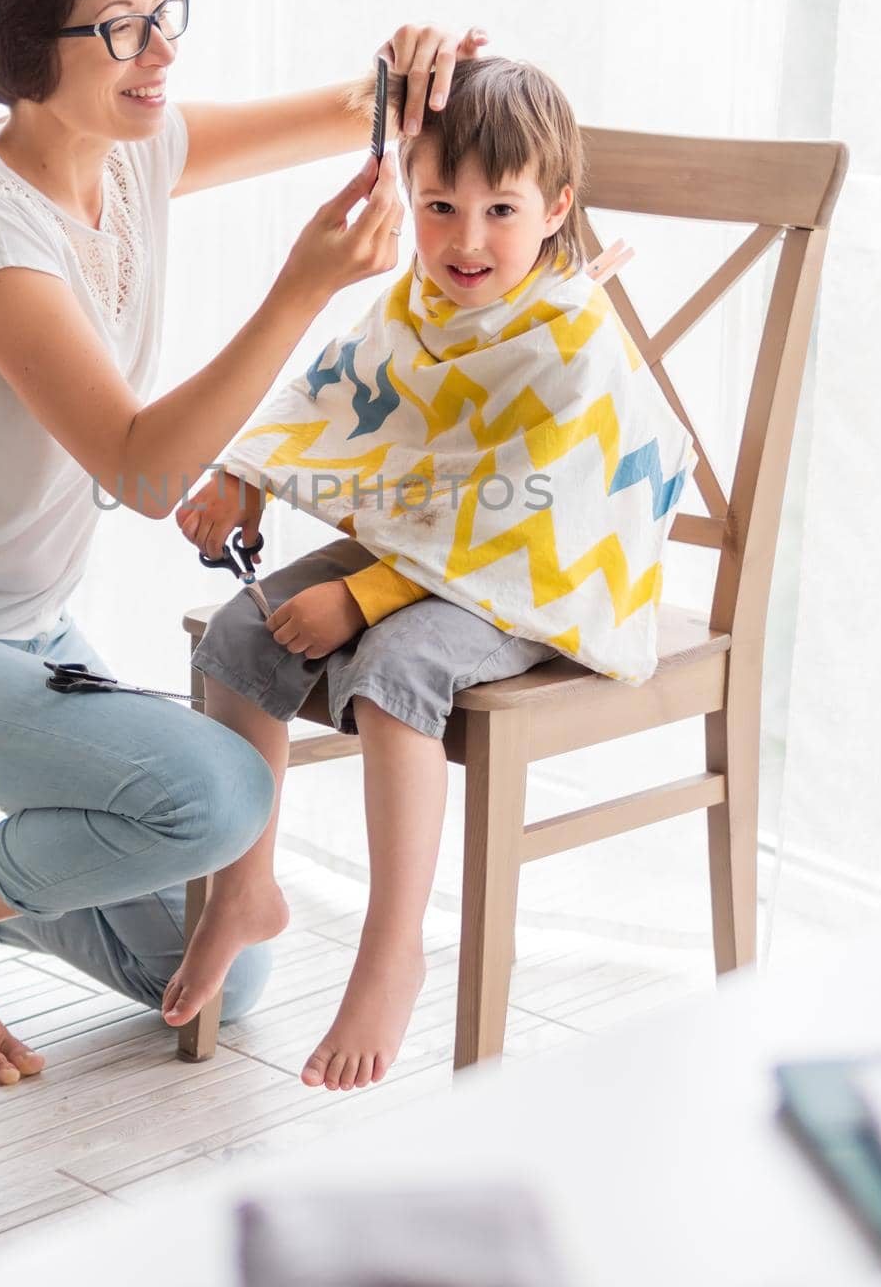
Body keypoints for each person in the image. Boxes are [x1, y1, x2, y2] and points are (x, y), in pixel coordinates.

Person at [0, 0, 487, 1090]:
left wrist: (420, 62)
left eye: (163, 13)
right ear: (25, 60)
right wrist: (300, 287)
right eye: (123, 29)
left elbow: (353, 107)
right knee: (220, 790)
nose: (163, 50)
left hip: (24, 634)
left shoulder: (132, 152)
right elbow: (145, 469)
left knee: (216, 969)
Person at [167, 57, 601, 1090]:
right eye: (438, 204)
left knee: (398, 668)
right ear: (407, 193)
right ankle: (245, 884)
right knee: (238, 634)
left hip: (536, 572)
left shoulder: (567, 334)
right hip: (426, 541)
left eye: (501, 209)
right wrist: (246, 479)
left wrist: (360, 596)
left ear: (556, 209)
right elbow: (331, 397)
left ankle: (392, 942)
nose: (465, 239)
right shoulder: (416, 301)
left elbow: (527, 515)